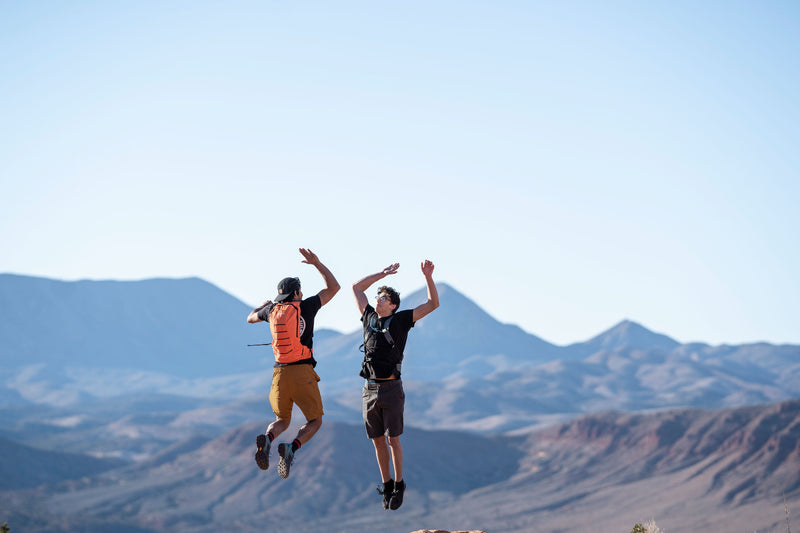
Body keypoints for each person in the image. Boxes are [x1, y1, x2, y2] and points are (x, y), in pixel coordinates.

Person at [352, 260, 439, 510]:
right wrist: (381, 274)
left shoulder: (401, 320)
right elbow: (357, 288)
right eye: (377, 297)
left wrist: (428, 277)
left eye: (383, 299)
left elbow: (433, 304)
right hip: (369, 389)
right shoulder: (368, 317)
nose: (377, 300)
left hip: (391, 388)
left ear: (393, 305)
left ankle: (399, 484)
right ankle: (387, 484)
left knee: (393, 440)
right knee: (377, 440)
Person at [247, 248, 339, 479]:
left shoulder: (271, 311)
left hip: (279, 373)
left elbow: (249, 318)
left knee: (282, 420)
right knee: (315, 421)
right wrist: (317, 263)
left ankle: (268, 439)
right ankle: (291, 448)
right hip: (302, 371)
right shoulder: (306, 307)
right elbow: (333, 288)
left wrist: (262, 306)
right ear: (297, 292)